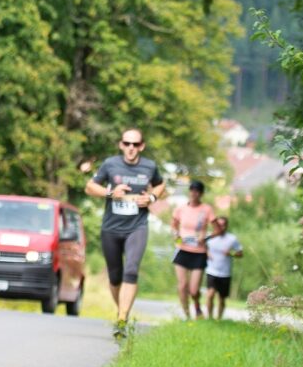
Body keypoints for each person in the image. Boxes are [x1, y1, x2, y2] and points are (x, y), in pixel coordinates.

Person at [85, 128, 166, 339]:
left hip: (137, 226)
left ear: (142, 146)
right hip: (111, 227)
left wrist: (151, 199)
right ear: (121, 145)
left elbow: (160, 185)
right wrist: (111, 192)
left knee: (131, 270)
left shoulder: (149, 166)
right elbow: (90, 187)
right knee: (115, 276)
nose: (131, 148)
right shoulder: (110, 164)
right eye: (127, 144)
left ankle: (121, 318)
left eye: (136, 144)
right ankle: (121, 310)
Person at [170, 180, 216, 319]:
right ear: (189, 192)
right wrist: (176, 236)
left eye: (197, 191)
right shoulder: (180, 209)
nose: (194, 193)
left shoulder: (206, 209)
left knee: (194, 290)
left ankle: (196, 304)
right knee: (182, 285)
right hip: (182, 250)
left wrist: (205, 237)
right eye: (192, 190)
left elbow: (217, 229)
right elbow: (173, 227)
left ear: (201, 194)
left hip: (199, 252)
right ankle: (187, 315)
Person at [204, 216, 244, 320]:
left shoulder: (232, 238)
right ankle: (210, 318)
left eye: (223, 225)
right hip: (211, 270)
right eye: (219, 225)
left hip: (225, 273)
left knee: (221, 299)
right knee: (210, 295)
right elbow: (201, 245)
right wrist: (207, 253)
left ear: (226, 226)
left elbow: (240, 253)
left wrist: (231, 253)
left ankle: (219, 319)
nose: (221, 227)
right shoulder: (210, 237)